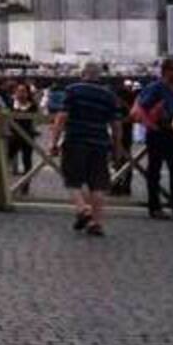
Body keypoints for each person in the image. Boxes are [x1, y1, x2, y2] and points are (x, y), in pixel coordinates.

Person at [50, 63, 120, 237]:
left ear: (82, 74)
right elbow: (116, 125)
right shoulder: (109, 95)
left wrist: (54, 141)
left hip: (76, 140)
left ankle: (83, 210)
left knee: (72, 179)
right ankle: (96, 223)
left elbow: (62, 117)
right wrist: (117, 148)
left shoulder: (73, 89)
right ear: (99, 76)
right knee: (98, 184)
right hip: (100, 142)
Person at [133, 58, 173, 220]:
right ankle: (155, 207)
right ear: (165, 71)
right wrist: (149, 125)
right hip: (158, 132)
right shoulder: (155, 87)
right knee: (154, 171)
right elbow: (141, 107)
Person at [8, 82, 38, 195]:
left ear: (28, 93)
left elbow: (36, 120)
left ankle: (25, 186)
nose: (21, 94)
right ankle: (7, 185)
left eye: (24, 91)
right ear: (15, 92)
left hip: (27, 136)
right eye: (19, 91)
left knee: (27, 161)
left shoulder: (33, 105)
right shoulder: (11, 104)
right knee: (6, 159)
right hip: (13, 136)